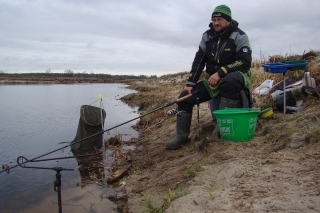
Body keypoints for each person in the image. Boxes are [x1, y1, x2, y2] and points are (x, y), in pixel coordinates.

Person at [165, 4, 252, 150]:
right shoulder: (207, 36)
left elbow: (245, 62)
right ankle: (181, 137)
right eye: (214, 20)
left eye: (220, 20)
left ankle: (221, 127)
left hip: (238, 74)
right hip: (213, 78)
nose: (216, 23)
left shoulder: (240, 36)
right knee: (185, 97)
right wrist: (190, 83)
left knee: (229, 81)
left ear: (228, 21)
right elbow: (199, 60)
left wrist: (221, 72)